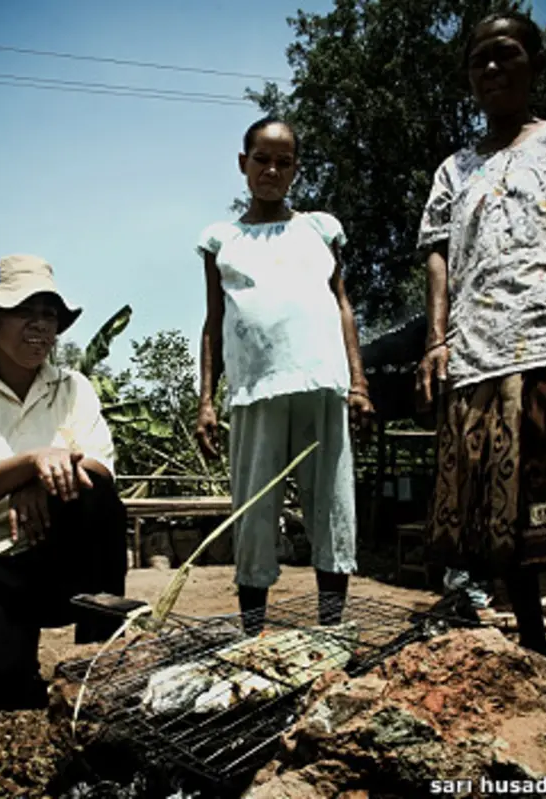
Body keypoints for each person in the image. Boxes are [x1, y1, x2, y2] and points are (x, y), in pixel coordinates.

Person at [416, 11, 546, 658]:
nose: (492, 69)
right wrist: (436, 339)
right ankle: (532, 647)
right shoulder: (455, 168)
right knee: (501, 525)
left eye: (506, 55)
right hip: (479, 354)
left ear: (536, 63)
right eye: (480, 60)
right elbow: (438, 254)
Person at [195, 117, 374, 634]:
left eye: (284, 161)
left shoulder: (319, 228)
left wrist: (357, 384)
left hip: (323, 384)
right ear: (242, 164)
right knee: (253, 510)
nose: (271, 169)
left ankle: (332, 631)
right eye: (261, 159)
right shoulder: (220, 240)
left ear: (296, 169)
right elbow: (214, 322)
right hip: (255, 390)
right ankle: (253, 633)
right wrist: (207, 400)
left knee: (333, 508)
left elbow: (342, 304)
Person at [0, 255, 128, 710]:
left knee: (99, 501)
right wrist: (32, 463)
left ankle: (97, 662)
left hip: (51, 553)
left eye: (49, 313)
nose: (40, 325)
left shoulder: (73, 387)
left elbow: (100, 468)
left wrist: (42, 479)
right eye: (24, 311)